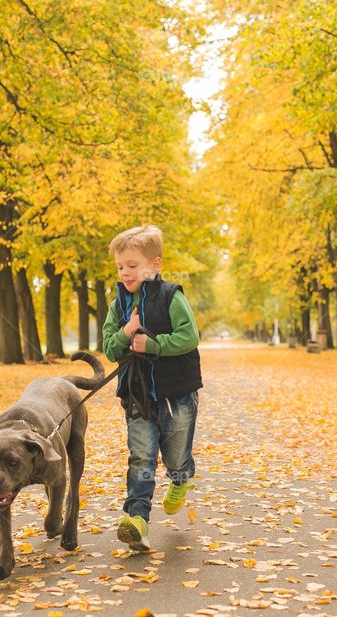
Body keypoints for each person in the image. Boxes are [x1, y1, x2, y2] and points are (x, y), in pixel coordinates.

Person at [101, 224, 203, 551]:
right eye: (120, 267)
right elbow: (109, 348)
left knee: (175, 458)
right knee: (141, 458)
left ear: (154, 265)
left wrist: (155, 345)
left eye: (132, 266)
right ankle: (137, 519)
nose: (124, 272)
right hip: (138, 397)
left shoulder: (172, 296)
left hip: (177, 396)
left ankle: (181, 478)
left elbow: (189, 337)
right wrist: (126, 331)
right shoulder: (118, 305)